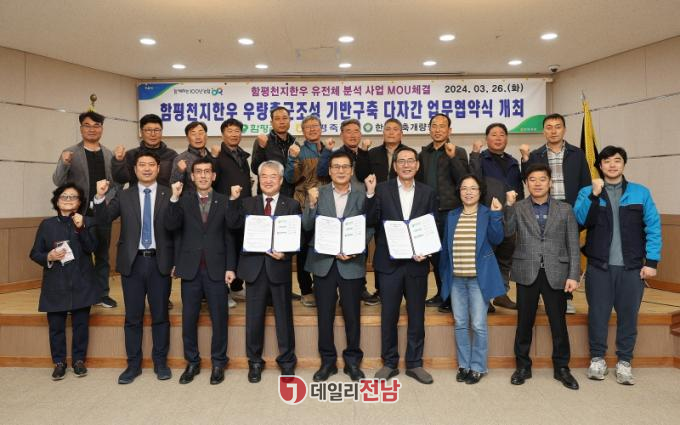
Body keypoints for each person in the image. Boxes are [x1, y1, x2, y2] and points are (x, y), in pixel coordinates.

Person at [574, 146, 662, 385]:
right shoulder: (587, 192)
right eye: (607, 161)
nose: (612, 165)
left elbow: (653, 227)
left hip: (632, 268)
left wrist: (651, 262)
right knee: (598, 315)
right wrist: (594, 195)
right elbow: (579, 221)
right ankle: (597, 359)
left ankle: (624, 361)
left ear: (623, 164)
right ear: (600, 166)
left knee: (628, 316)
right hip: (599, 267)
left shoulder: (640, 193)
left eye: (617, 160)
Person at [94, 151, 175, 385]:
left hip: (160, 262)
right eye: (142, 165)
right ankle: (133, 365)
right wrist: (99, 198)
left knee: (160, 316)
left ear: (158, 168)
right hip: (133, 262)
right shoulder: (124, 195)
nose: (147, 168)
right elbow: (104, 219)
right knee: (132, 317)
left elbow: (176, 229)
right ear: (135, 169)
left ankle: (161, 362)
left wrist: (176, 261)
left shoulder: (169, 193)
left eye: (151, 164)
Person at [505, 163, 581, 390]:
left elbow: (573, 244)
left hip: (556, 272)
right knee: (524, 323)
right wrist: (508, 207)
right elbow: (507, 232)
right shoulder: (518, 207)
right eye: (532, 179)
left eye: (542, 179)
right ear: (526, 183)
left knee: (558, 323)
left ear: (550, 183)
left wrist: (573, 275)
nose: (537, 183)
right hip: (526, 272)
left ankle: (562, 368)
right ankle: (522, 366)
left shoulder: (565, 209)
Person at [365, 147, 437, 385]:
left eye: (410, 161)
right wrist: (369, 194)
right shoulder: (381, 189)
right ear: (394, 166)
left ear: (417, 165)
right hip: (389, 263)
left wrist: (427, 250)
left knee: (417, 315)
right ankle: (389, 362)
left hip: (417, 263)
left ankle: (415, 363)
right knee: (389, 315)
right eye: (401, 161)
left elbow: (433, 225)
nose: (406, 165)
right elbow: (371, 220)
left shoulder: (427, 192)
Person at [165, 158, 237, 385]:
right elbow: (172, 227)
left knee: (220, 318)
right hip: (190, 269)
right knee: (189, 319)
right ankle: (192, 362)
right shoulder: (182, 200)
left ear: (214, 176)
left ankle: (218, 362)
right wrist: (173, 198)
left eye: (207, 172)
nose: (203, 175)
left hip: (217, 269)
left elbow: (230, 236)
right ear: (192, 176)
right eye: (199, 172)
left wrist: (230, 267)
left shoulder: (225, 201)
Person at [227, 160, 300, 383]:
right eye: (264, 176)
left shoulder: (292, 204)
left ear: (281, 180)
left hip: (279, 267)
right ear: (259, 180)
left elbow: (298, 236)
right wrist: (233, 200)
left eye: (273, 176)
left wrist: (286, 253)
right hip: (254, 268)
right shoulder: (246, 203)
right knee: (254, 318)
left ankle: (287, 361)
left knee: (284, 317)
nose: (268, 180)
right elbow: (232, 226)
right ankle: (255, 362)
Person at [302, 151, 371, 382]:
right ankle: (327, 362)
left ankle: (352, 362)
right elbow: (307, 225)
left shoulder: (362, 194)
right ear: (329, 171)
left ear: (351, 170)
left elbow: (370, 226)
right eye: (336, 167)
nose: (341, 170)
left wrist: (355, 248)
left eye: (345, 167)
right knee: (325, 315)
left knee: (352, 315)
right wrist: (312, 204)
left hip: (352, 262)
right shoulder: (317, 193)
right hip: (324, 263)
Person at [438, 174, 507, 384]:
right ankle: (464, 365)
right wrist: (444, 277)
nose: (468, 192)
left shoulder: (487, 213)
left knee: (477, 324)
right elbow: (445, 249)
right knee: (460, 323)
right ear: (459, 192)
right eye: (464, 188)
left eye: (473, 188)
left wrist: (496, 215)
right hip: (456, 279)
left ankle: (478, 366)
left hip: (478, 279)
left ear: (480, 192)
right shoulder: (452, 215)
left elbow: (497, 238)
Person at [520, 113, 591, 314]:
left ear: (564, 130)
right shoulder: (537, 154)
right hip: (542, 211)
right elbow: (527, 179)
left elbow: (585, 185)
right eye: (549, 127)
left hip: (569, 212)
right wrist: (525, 159)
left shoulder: (577, 154)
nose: (553, 131)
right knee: (542, 253)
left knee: (566, 254)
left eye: (557, 127)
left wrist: (579, 212)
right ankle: (539, 294)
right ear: (544, 131)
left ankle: (566, 297)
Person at [29, 183, 100, 380]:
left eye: (73, 197)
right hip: (56, 282)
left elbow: (92, 247)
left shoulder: (86, 222)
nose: (68, 200)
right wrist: (49, 256)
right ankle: (59, 362)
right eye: (64, 196)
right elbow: (35, 253)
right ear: (57, 201)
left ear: (79, 203)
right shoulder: (47, 225)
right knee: (56, 327)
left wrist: (81, 227)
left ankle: (79, 361)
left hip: (82, 281)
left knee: (81, 325)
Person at [52, 111, 119, 308]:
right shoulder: (70, 153)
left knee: (102, 256)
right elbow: (58, 181)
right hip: (76, 215)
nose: (92, 129)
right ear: (81, 128)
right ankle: (75, 296)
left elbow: (116, 184)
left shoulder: (109, 154)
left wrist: (105, 202)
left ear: (102, 129)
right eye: (87, 125)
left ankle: (101, 294)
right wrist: (64, 163)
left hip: (101, 216)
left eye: (96, 126)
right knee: (75, 256)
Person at [317, 118, 378, 305]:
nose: (352, 135)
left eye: (356, 131)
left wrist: (364, 153)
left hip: (359, 204)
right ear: (341, 134)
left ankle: (359, 288)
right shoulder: (336, 155)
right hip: (336, 204)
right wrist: (327, 152)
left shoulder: (366, 153)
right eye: (348, 131)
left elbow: (367, 175)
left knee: (359, 249)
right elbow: (322, 171)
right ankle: (331, 290)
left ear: (361, 134)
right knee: (333, 250)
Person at [416, 113, 469, 313]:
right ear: (429, 129)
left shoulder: (458, 151)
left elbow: (464, 180)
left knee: (450, 256)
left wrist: (453, 157)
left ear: (449, 130)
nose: (438, 129)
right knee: (435, 256)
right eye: (434, 126)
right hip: (428, 213)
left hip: (450, 212)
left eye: (442, 126)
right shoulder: (423, 154)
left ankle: (451, 297)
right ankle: (441, 293)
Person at [469, 122, 523, 312]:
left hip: (510, 214)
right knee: (486, 256)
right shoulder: (480, 159)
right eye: (494, 134)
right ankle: (483, 298)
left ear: (507, 138)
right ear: (486, 139)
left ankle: (501, 294)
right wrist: (475, 154)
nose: (498, 138)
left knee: (505, 256)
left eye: (502, 134)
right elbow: (473, 181)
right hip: (487, 215)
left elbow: (520, 189)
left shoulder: (513, 162)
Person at [284, 115, 330, 307]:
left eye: (315, 126)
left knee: (323, 247)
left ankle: (322, 286)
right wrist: (292, 158)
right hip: (303, 204)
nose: (312, 129)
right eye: (308, 127)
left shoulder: (328, 149)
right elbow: (290, 178)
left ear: (321, 128)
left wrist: (328, 152)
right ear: (303, 131)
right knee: (303, 249)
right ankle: (306, 290)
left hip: (326, 206)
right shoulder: (298, 150)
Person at [213, 118, 252, 303]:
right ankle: (223, 292)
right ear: (223, 134)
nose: (234, 134)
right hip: (224, 209)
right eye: (230, 131)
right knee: (224, 249)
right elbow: (212, 182)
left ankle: (236, 287)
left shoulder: (242, 156)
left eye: (237, 131)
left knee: (238, 248)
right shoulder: (217, 156)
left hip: (242, 209)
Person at [111, 113, 178, 187]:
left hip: (165, 193)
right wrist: (119, 161)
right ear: (141, 132)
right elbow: (121, 180)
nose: (153, 134)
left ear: (161, 131)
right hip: (136, 194)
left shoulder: (171, 155)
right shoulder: (131, 155)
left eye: (157, 130)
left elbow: (177, 180)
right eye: (148, 130)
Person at [251, 106, 296, 197]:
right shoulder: (263, 141)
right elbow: (255, 169)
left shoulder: (295, 144)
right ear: (271, 122)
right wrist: (261, 148)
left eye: (284, 118)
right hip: (268, 196)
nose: (282, 122)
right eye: (277, 119)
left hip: (291, 196)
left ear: (289, 120)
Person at [170, 121, 213, 191]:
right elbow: (173, 187)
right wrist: (179, 172)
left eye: (201, 133)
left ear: (206, 136)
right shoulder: (180, 159)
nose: (198, 137)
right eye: (193, 134)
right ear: (187, 138)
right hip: (190, 198)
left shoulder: (213, 156)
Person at [368, 118, 403, 183]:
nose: (391, 133)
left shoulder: (408, 153)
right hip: (377, 189)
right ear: (383, 133)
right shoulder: (372, 153)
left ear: (401, 134)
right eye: (388, 129)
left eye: (395, 129)